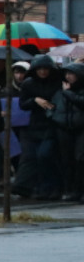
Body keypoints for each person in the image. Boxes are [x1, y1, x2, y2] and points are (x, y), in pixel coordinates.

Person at [15, 54, 61, 200]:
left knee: (45, 155)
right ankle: (38, 188)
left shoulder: (57, 82)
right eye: (39, 69)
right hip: (34, 125)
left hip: (52, 124)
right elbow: (23, 104)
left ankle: (51, 187)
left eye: (45, 69)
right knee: (32, 157)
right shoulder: (29, 84)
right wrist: (35, 100)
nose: (43, 72)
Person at [50, 62, 84, 202]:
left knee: (80, 159)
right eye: (67, 74)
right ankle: (71, 190)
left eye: (72, 74)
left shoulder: (70, 91)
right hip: (64, 129)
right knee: (67, 160)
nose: (69, 77)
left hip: (81, 129)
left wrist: (68, 93)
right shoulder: (61, 91)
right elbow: (53, 106)